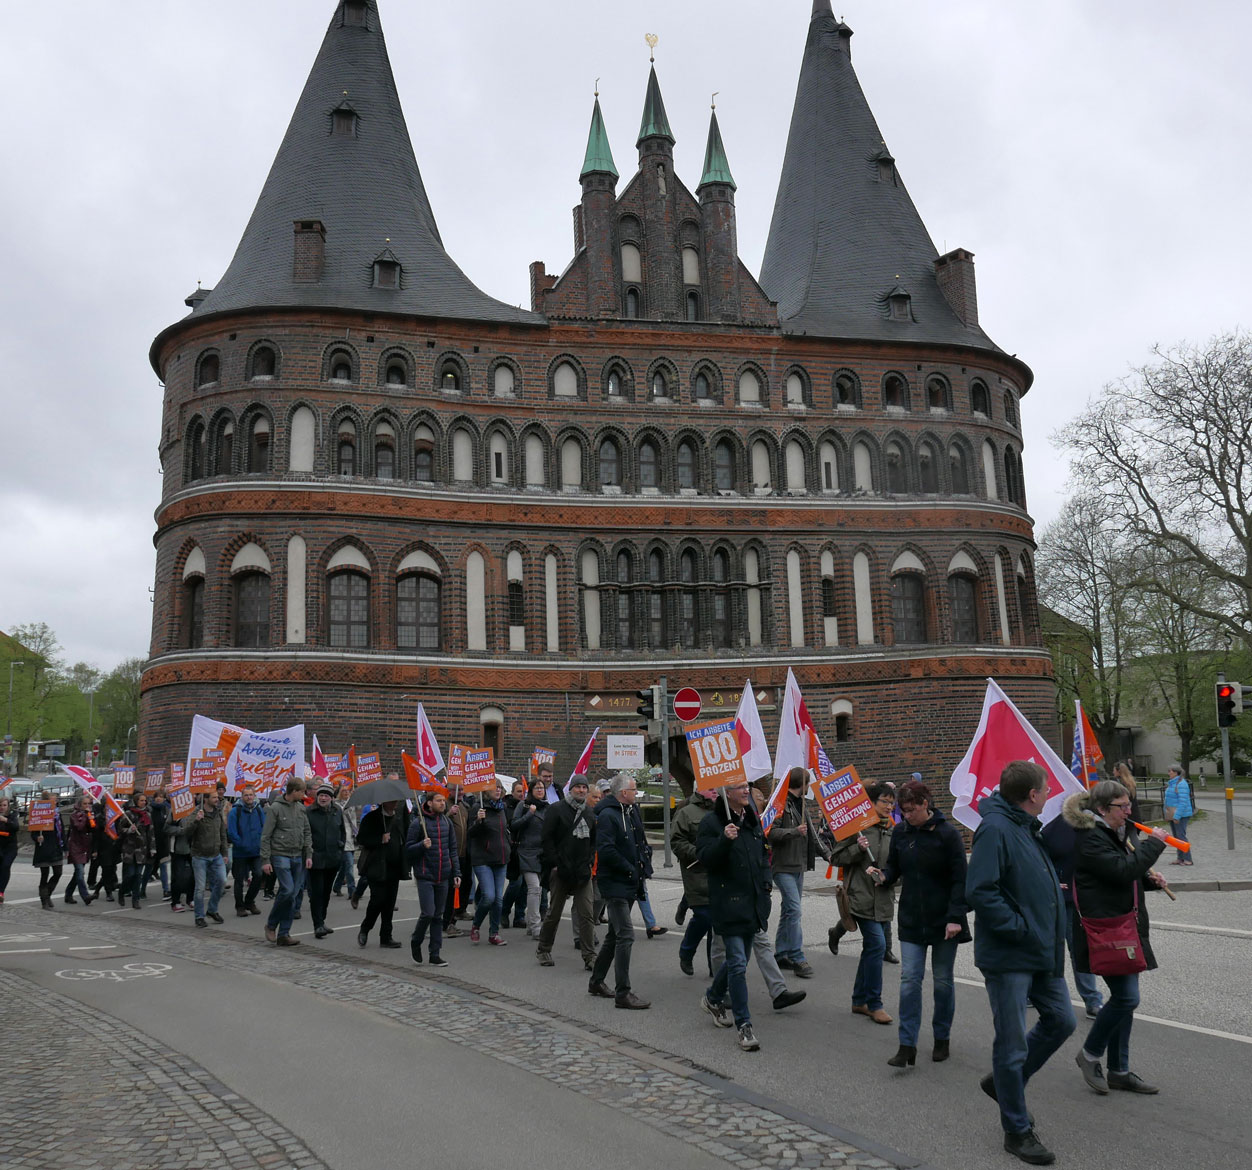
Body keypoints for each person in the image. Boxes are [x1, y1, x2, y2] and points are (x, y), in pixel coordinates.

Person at [966, 760, 1075, 1166]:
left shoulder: (1026, 827)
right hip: (1012, 953)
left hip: (1042, 950)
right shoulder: (996, 829)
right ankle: (1016, 1128)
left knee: (1062, 1020)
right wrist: (1019, 927)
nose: (1049, 795)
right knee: (1010, 1046)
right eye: (1046, 789)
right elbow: (980, 889)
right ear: (1033, 795)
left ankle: (1004, 1084)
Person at [1065, 781, 1169, 1096]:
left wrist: (1149, 882)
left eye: (1128, 805)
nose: (1128, 812)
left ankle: (1119, 1070)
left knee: (1125, 1002)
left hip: (1122, 927)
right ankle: (1090, 1055)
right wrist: (1154, 845)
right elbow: (1121, 871)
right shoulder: (1091, 838)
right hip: (1105, 931)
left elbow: (1121, 877)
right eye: (1121, 807)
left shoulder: (1113, 834)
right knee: (1126, 998)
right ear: (1101, 809)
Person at [874, 780, 969, 1067]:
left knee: (942, 983)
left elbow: (960, 879)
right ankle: (907, 1044)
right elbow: (894, 867)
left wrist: (955, 917)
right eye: (903, 811)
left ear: (925, 804)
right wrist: (884, 876)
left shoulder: (948, 834)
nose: (906, 815)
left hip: (944, 922)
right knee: (909, 982)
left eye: (911, 810)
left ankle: (942, 1037)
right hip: (912, 919)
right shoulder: (901, 832)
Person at [697, 781, 770, 1051]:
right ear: (727, 793)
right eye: (739, 787)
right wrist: (723, 841)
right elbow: (705, 858)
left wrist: (766, 885)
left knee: (738, 960)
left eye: (746, 786)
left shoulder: (751, 820)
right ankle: (744, 1026)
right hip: (728, 904)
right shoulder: (712, 823)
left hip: (752, 903)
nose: (745, 791)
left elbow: (763, 856)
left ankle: (713, 997)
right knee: (738, 963)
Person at [829, 782, 898, 1025]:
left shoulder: (892, 829)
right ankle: (874, 1003)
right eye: (884, 802)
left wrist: (888, 875)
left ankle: (859, 1000)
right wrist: (857, 851)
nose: (889, 806)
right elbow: (835, 857)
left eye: (892, 802)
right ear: (870, 802)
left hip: (883, 899)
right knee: (878, 946)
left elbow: (897, 864)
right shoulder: (857, 828)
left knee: (872, 949)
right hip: (860, 898)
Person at [587, 774, 650, 1009]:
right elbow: (606, 850)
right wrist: (629, 868)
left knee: (614, 935)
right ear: (623, 793)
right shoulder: (607, 816)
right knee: (626, 935)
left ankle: (596, 981)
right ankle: (623, 992)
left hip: (629, 881)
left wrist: (644, 864)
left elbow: (638, 840)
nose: (636, 793)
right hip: (614, 882)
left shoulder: (630, 812)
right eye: (634, 790)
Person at [1041, 796, 1105, 1021]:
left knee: (1081, 950)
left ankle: (1092, 999)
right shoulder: (1055, 829)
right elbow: (1039, 859)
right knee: (1051, 949)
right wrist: (1051, 880)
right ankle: (1040, 993)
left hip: (1085, 900)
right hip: (1060, 900)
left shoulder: (1098, 829)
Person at [769, 766, 832, 979]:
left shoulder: (802, 806)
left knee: (789, 910)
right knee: (795, 910)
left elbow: (813, 836)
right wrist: (793, 832)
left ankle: (781, 953)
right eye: (807, 783)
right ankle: (797, 956)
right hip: (783, 865)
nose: (809, 787)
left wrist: (829, 856)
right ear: (801, 784)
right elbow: (770, 833)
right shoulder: (780, 804)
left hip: (799, 866)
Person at [535, 774, 596, 968]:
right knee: (554, 913)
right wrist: (554, 863)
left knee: (586, 914)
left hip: (582, 871)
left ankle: (589, 956)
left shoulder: (589, 813)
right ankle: (544, 949)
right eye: (578, 787)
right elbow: (547, 838)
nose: (581, 791)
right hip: (560, 869)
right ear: (571, 789)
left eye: (584, 788)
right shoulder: (556, 809)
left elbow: (593, 842)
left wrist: (588, 862)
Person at [406, 790, 460, 966]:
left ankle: (435, 953)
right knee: (428, 913)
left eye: (444, 800)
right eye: (438, 800)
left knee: (438, 915)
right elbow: (408, 849)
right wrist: (422, 845)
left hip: (443, 875)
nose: (443, 803)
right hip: (425, 875)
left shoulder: (446, 822)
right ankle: (416, 940)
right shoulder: (418, 823)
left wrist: (456, 873)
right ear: (429, 803)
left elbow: (453, 849)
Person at [261, 777, 312, 947]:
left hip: (297, 855)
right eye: (302, 791)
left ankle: (284, 933)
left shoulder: (301, 809)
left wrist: (309, 854)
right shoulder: (275, 808)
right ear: (294, 791)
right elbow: (266, 835)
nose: (304, 795)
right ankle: (271, 924)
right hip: (280, 854)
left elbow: (306, 832)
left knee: (292, 894)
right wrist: (266, 859)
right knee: (288, 890)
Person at [673, 787, 717, 976]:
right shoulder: (686, 812)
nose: (716, 791)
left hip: (719, 873)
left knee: (716, 924)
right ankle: (687, 950)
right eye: (711, 788)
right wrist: (698, 853)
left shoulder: (723, 810)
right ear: (700, 789)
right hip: (697, 873)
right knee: (704, 916)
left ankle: (714, 967)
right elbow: (677, 842)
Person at [356, 798, 409, 949]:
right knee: (378, 900)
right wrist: (380, 839)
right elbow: (362, 839)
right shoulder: (372, 818)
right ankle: (365, 928)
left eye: (397, 801)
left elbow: (405, 833)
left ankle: (386, 936)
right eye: (392, 801)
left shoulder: (397, 816)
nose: (395, 804)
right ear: (384, 802)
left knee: (389, 903)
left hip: (395, 866)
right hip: (377, 865)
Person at [467, 781, 511, 945]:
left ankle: (494, 933)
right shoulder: (478, 808)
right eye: (494, 787)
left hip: (500, 858)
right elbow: (470, 833)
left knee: (498, 899)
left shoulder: (502, 808)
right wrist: (478, 821)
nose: (497, 790)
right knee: (488, 897)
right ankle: (476, 925)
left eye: (499, 787)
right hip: (483, 858)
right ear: (486, 791)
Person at [306, 782, 346, 939]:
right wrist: (309, 854)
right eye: (321, 795)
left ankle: (322, 920)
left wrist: (340, 848)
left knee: (326, 892)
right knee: (316, 893)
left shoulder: (337, 811)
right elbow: (306, 833)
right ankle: (317, 925)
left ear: (331, 798)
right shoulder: (309, 812)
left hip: (332, 858)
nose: (323, 798)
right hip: (315, 858)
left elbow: (342, 831)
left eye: (326, 795)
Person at [185, 789, 229, 927]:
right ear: (206, 799)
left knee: (221, 882)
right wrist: (196, 821)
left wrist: (225, 853)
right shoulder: (197, 812)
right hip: (200, 856)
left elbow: (222, 834)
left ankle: (212, 909)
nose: (217, 799)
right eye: (214, 797)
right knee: (200, 888)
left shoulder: (217, 813)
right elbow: (186, 831)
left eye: (217, 797)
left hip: (216, 855)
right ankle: (199, 916)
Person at [511, 779, 548, 938]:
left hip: (542, 853)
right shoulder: (524, 806)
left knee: (538, 890)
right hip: (526, 852)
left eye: (542, 788)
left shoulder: (547, 807)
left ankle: (531, 924)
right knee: (534, 889)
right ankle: (535, 926)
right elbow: (514, 825)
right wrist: (529, 814)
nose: (540, 790)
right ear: (531, 790)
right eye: (537, 788)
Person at [227, 784, 265, 916]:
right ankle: (240, 906)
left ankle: (249, 901)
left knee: (259, 875)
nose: (249, 797)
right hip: (240, 852)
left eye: (251, 795)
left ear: (255, 796)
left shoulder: (259, 810)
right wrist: (241, 844)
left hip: (256, 851)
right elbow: (231, 832)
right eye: (246, 795)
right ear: (242, 797)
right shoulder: (235, 811)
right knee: (239, 880)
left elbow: (264, 828)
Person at [117, 797, 154, 911]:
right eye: (141, 800)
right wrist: (129, 830)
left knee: (138, 876)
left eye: (144, 800)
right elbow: (120, 829)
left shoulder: (147, 815)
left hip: (141, 850)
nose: (143, 802)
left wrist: (152, 848)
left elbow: (151, 833)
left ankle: (135, 899)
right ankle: (122, 891)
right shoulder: (128, 814)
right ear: (136, 802)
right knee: (130, 875)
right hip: (130, 849)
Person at [65, 794, 97, 905]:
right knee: (80, 872)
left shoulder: (89, 814)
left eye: (89, 804)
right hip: (75, 845)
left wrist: (92, 820)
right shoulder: (74, 815)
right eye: (85, 804)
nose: (87, 806)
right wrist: (86, 817)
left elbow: (93, 828)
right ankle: (85, 895)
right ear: (80, 804)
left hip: (85, 846)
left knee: (77, 874)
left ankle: (68, 894)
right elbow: (79, 827)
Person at [1162, 765, 1194, 866]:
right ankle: (1180, 858)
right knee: (1176, 837)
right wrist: (1167, 814)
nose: (1169, 773)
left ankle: (1188, 859)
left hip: (1181, 814)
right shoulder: (1172, 784)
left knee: (1181, 836)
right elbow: (1168, 800)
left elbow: (1183, 802)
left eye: (1170, 771)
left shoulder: (1181, 784)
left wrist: (1177, 816)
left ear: (1176, 772)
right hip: (1172, 813)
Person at [331, 783, 358, 899]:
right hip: (343, 838)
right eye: (344, 791)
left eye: (348, 791)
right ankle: (352, 891)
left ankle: (337, 886)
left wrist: (356, 797)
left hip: (352, 837)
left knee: (345, 866)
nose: (346, 793)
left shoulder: (353, 804)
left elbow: (360, 810)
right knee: (349, 866)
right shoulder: (336, 805)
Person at [149, 789, 171, 899]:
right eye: (157, 796)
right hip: (152, 843)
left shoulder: (166, 809)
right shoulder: (150, 809)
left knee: (163, 867)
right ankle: (141, 889)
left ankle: (166, 890)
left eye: (161, 796)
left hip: (163, 843)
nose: (158, 798)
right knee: (148, 868)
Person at [0, 795, 20, 903]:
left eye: (4, 805)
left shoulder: (12, 815)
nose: (2, 807)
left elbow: (15, 827)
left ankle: (1, 892)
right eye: (0, 805)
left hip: (10, 846)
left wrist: (5, 820)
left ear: (8, 806)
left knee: (5, 866)